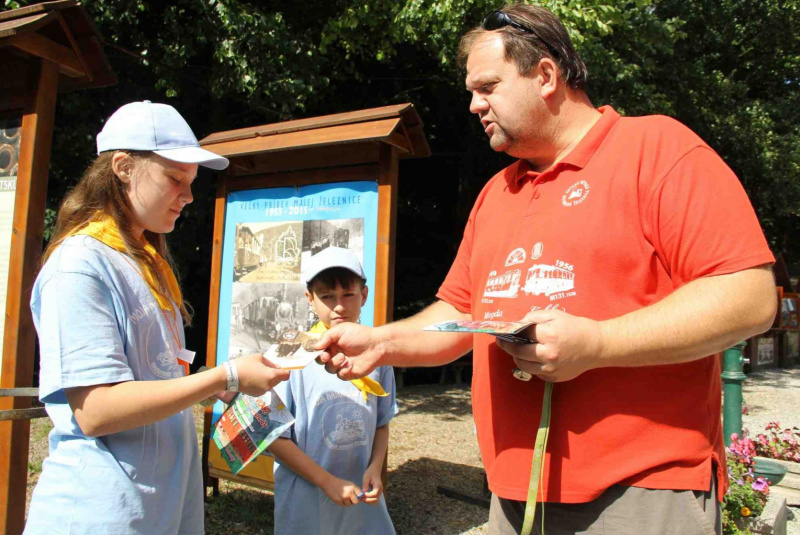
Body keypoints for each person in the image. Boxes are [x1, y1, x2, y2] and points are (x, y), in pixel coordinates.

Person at [316, 4, 777, 535]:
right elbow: (463, 312)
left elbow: (749, 295)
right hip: (512, 497)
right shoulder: (497, 193)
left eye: (487, 87)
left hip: (640, 493)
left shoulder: (658, 149)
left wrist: (597, 344)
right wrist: (379, 342)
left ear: (545, 76)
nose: (473, 105)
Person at [24, 101, 291, 535]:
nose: (187, 196)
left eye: (191, 182)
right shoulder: (78, 264)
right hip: (102, 512)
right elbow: (95, 409)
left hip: (161, 505)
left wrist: (213, 385)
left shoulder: (145, 261)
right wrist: (222, 378)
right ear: (123, 167)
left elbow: (151, 378)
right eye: (174, 178)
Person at [268, 247, 397, 535]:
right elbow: (273, 436)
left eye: (348, 295)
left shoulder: (377, 353)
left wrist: (375, 468)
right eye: (327, 296)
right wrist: (327, 481)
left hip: (361, 503)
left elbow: (381, 422)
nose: (339, 306)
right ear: (309, 299)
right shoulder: (288, 353)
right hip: (305, 502)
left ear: (363, 295)